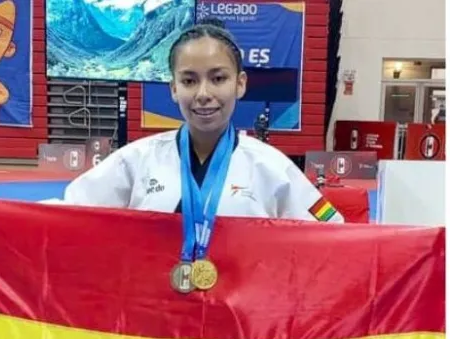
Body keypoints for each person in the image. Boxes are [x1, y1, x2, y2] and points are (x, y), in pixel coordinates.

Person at [61, 22, 344, 223]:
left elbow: (329, 234)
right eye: (189, 81)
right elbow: (67, 215)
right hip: (157, 293)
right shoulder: (136, 160)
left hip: (243, 294)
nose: (203, 94)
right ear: (174, 88)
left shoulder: (272, 167)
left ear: (240, 84)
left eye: (218, 78)